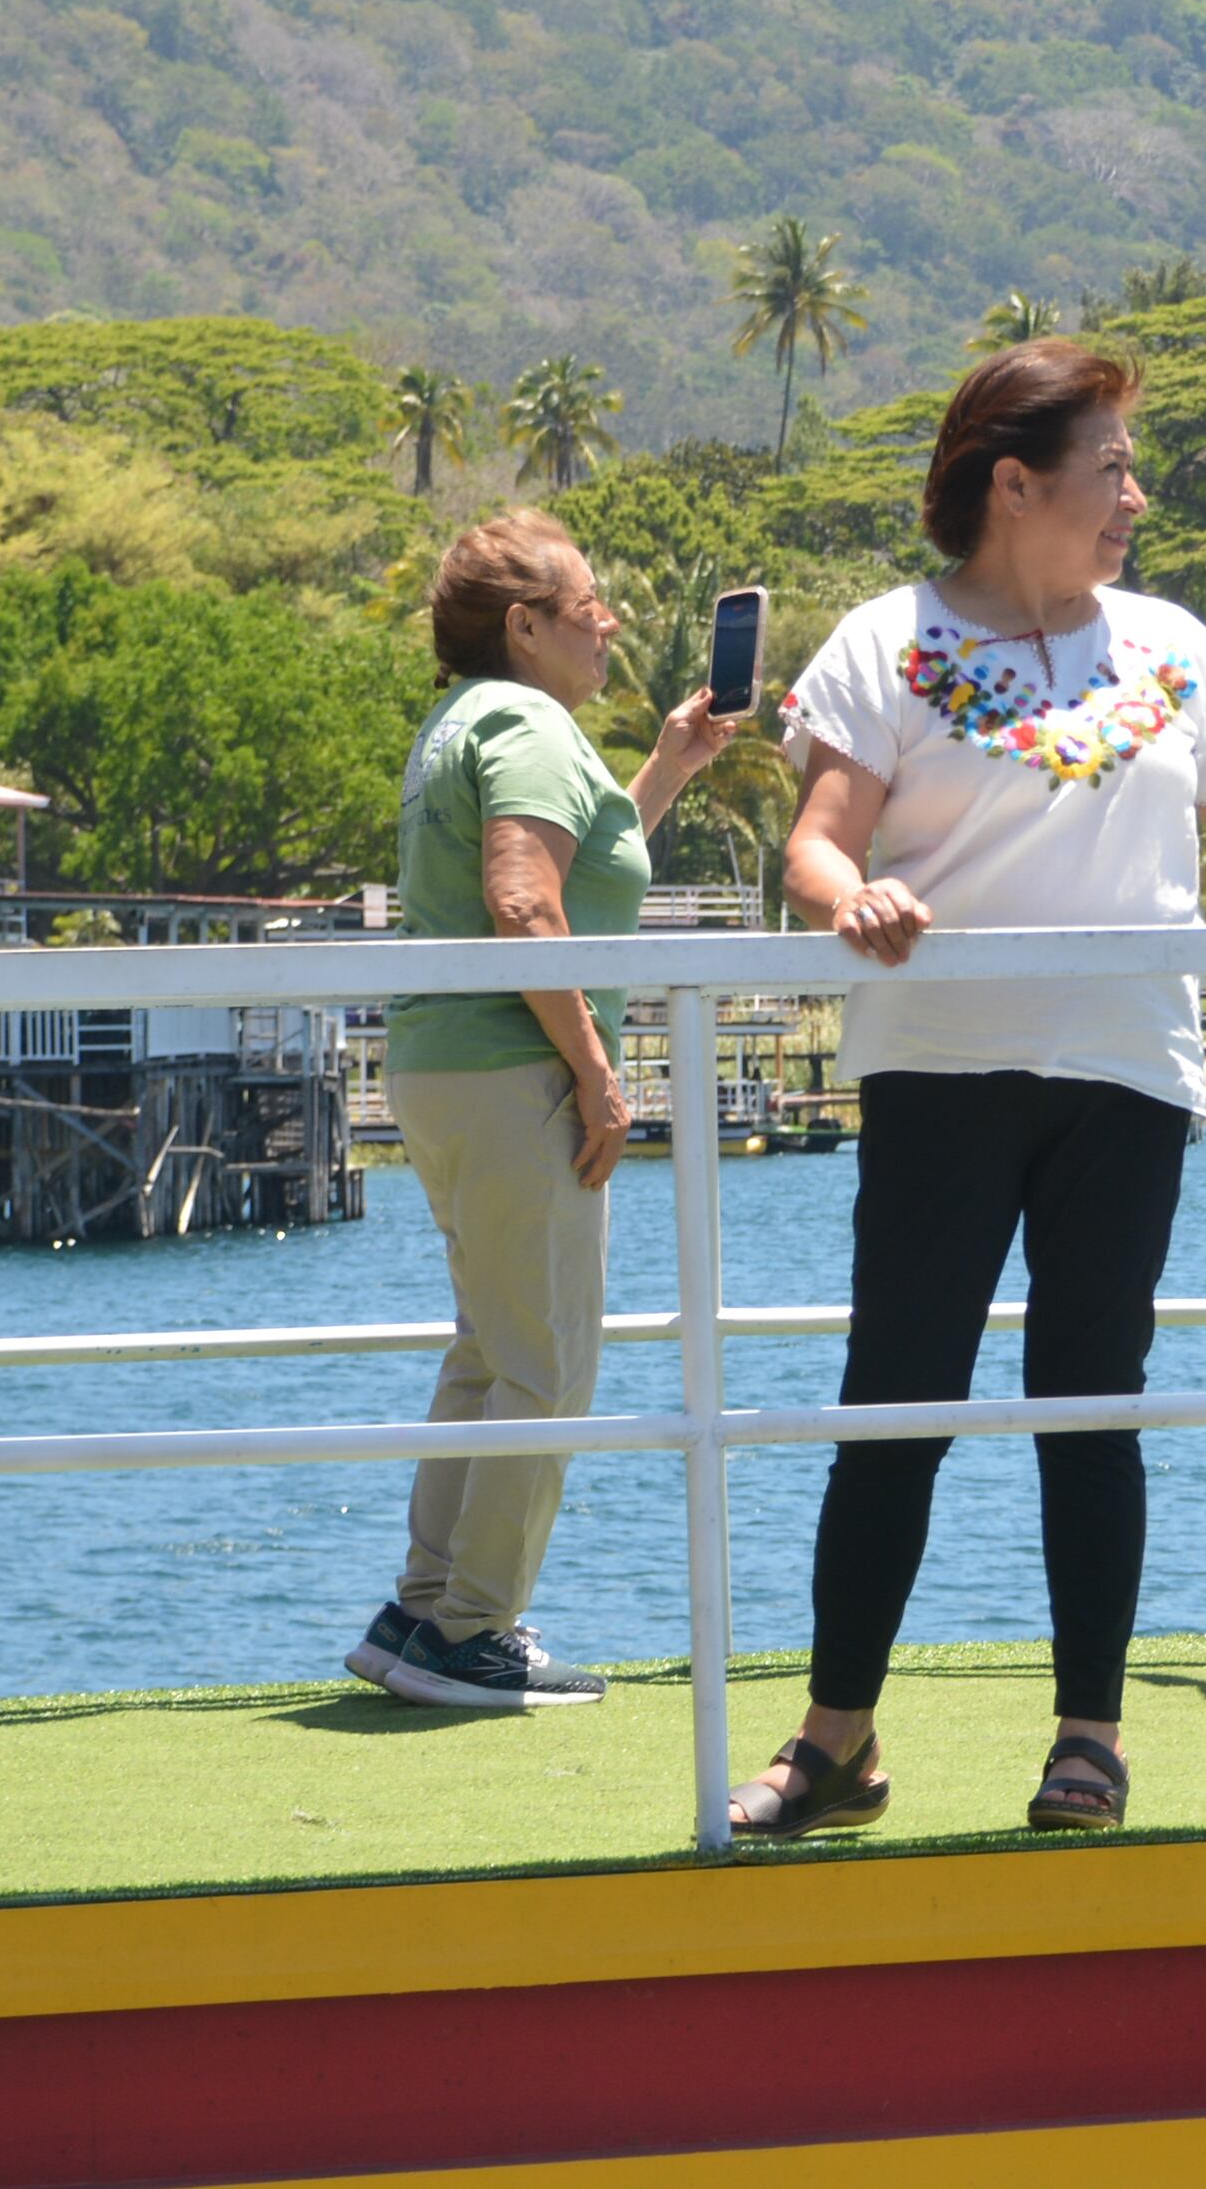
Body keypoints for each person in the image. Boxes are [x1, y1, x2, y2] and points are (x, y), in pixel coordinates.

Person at [731, 338, 1206, 1840]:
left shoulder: (1170, 645)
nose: (1133, 499)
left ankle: (1088, 1741)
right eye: (1109, 469)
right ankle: (838, 1742)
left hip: (1125, 1077)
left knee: (1093, 1405)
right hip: (937, 1073)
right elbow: (820, 842)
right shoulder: (883, 643)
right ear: (1012, 484)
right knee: (895, 1404)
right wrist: (854, 900)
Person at [348, 512, 741, 1712]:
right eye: (587, 601)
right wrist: (596, 1071)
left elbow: (566, 872)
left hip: (442, 1067)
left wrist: (666, 767)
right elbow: (525, 904)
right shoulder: (525, 721)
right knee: (549, 1363)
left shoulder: (465, 720)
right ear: (523, 626)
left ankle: (421, 1612)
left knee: (492, 1350)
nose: (609, 618)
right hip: (511, 1071)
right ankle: (472, 1629)